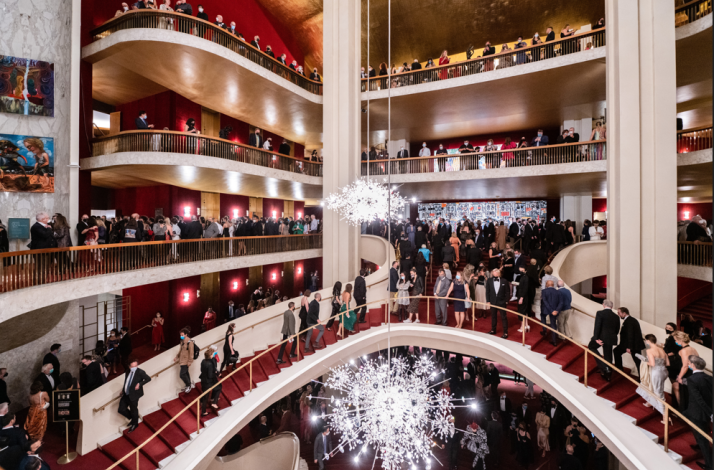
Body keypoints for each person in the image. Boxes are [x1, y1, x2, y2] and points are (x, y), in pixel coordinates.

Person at [684, 355, 712, 470]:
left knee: (702, 438)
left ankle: (710, 465)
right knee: (703, 431)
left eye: (690, 364)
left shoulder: (692, 379)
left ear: (693, 365)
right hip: (706, 412)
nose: (689, 365)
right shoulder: (710, 377)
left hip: (697, 413)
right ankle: (700, 445)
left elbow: (698, 399)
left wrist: (710, 413)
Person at [636, 334, 669, 416]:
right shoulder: (662, 349)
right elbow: (667, 363)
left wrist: (643, 361)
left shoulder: (650, 350)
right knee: (656, 389)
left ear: (648, 341)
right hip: (664, 371)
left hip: (656, 372)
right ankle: (651, 402)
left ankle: (665, 416)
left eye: (646, 341)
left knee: (659, 393)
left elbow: (652, 363)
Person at [587, 300, 620, 381]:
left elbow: (597, 326)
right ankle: (608, 374)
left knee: (591, 347)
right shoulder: (616, 316)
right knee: (608, 355)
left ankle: (604, 366)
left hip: (601, 337)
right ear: (611, 307)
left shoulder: (600, 313)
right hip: (611, 338)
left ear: (603, 305)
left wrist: (596, 338)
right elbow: (617, 330)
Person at [118, 357, 151, 433]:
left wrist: (140, 384)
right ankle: (133, 418)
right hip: (126, 394)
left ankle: (135, 424)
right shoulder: (127, 371)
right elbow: (126, 382)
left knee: (133, 410)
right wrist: (123, 390)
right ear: (129, 367)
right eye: (132, 367)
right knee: (121, 409)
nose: (134, 368)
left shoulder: (140, 372)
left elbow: (148, 379)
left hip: (134, 395)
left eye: (136, 366)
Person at [613, 307, 645, 379]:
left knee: (638, 362)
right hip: (631, 345)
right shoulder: (631, 320)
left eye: (619, 313)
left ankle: (642, 379)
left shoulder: (629, 321)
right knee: (616, 351)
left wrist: (629, 347)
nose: (618, 314)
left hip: (633, 346)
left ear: (624, 313)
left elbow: (630, 335)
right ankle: (619, 369)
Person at [486, 269, 509, 338]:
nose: (494, 275)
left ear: (499, 274)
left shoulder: (504, 281)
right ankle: (493, 330)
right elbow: (487, 291)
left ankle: (505, 332)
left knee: (503, 317)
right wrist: (488, 301)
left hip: (502, 302)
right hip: (493, 301)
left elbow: (507, 292)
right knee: (493, 316)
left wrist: (506, 300)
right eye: (493, 273)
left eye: (496, 273)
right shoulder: (489, 280)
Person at [199, 347, 221, 416]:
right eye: (212, 354)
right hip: (208, 382)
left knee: (205, 396)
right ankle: (214, 403)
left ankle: (203, 411)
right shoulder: (210, 364)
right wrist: (215, 373)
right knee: (219, 387)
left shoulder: (203, 361)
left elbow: (202, 370)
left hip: (203, 380)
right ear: (210, 355)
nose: (213, 355)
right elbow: (210, 375)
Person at [173, 328, 195, 394]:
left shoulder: (190, 342)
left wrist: (190, 361)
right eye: (180, 335)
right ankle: (188, 385)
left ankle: (188, 385)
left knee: (182, 374)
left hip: (186, 361)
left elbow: (191, 353)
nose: (181, 336)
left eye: (182, 335)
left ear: (186, 334)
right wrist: (177, 357)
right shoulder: (182, 341)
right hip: (181, 360)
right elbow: (181, 350)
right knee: (186, 373)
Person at [540, 280, 561, 346]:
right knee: (553, 324)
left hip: (546, 309)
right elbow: (560, 302)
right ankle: (554, 341)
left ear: (547, 285)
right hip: (554, 311)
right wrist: (556, 310)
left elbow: (545, 301)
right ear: (553, 285)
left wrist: (551, 310)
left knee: (543, 318)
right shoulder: (558, 292)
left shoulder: (544, 291)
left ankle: (544, 330)